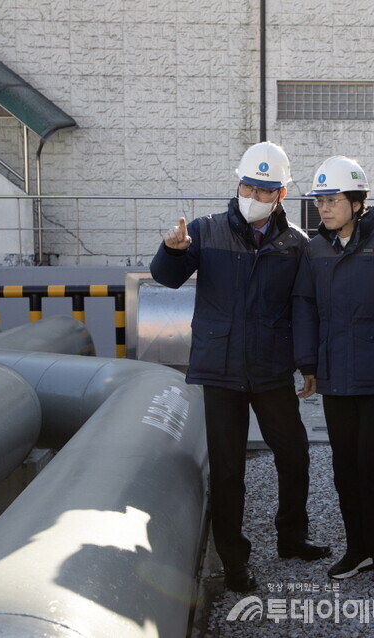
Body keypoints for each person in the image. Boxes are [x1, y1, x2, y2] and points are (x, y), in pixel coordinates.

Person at [149, 141, 331, 594]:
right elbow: (166, 277)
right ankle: (234, 560)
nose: (253, 196)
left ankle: (292, 538)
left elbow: (302, 308)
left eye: (264, 190)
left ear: (281, 195)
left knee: (294, 454)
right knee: (228, 470)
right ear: (237, 184)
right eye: (248, 186)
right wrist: (171, 251)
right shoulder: (205, 231)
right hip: (221, 369)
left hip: (271, 369)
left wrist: (308, 363)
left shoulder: (296, 244)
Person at [292, 156, 374, 586]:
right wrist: (308, 364)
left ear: (357, 202)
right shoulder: (314, 250)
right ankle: (357, 550)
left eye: (332, 200)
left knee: (372, 465)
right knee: (344, 468)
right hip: (335, 377)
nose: (324, 208)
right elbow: (304, 307)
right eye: (319, 201)